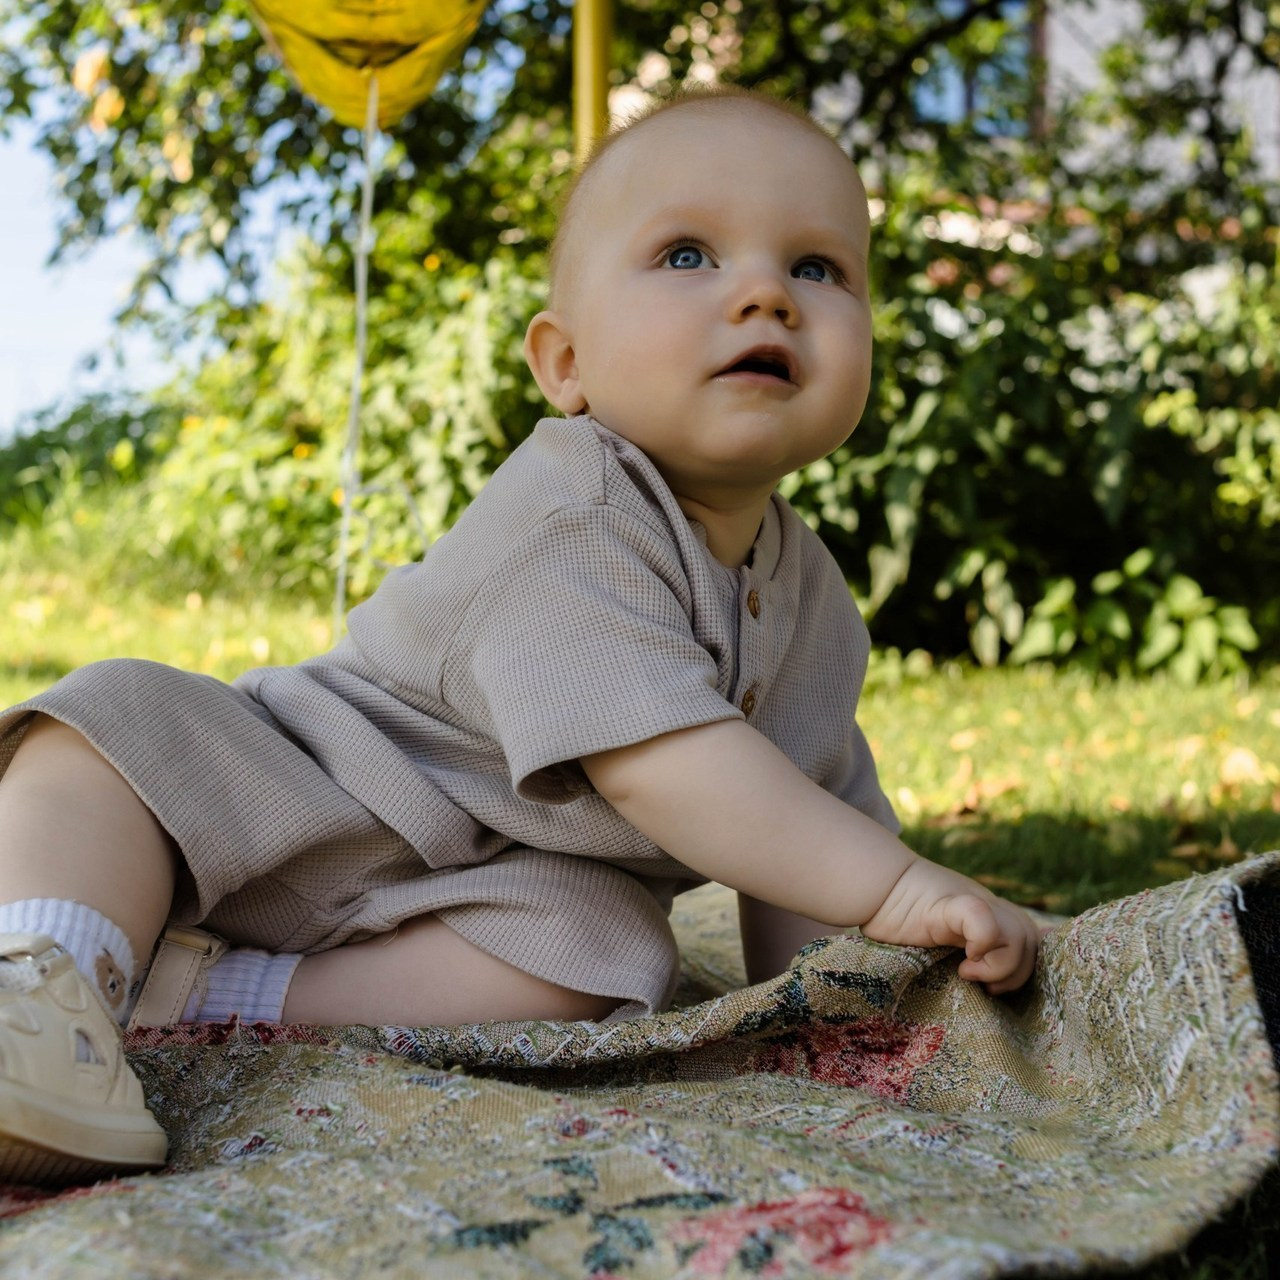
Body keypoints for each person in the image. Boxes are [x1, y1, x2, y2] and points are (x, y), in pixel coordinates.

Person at [0, 86, 1040, 1186]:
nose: (764, 295)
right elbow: (668, 768)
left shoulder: (810, 594)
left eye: (818, 268)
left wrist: (839, 1010)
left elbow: (805, 824)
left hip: (472, 887)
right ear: (565, 365)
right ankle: (35, 986)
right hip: (287, 795)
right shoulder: (572, 512)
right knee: (110, 727)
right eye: (687, 255)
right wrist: (890, 887)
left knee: (607, 951)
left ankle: (196, 999)